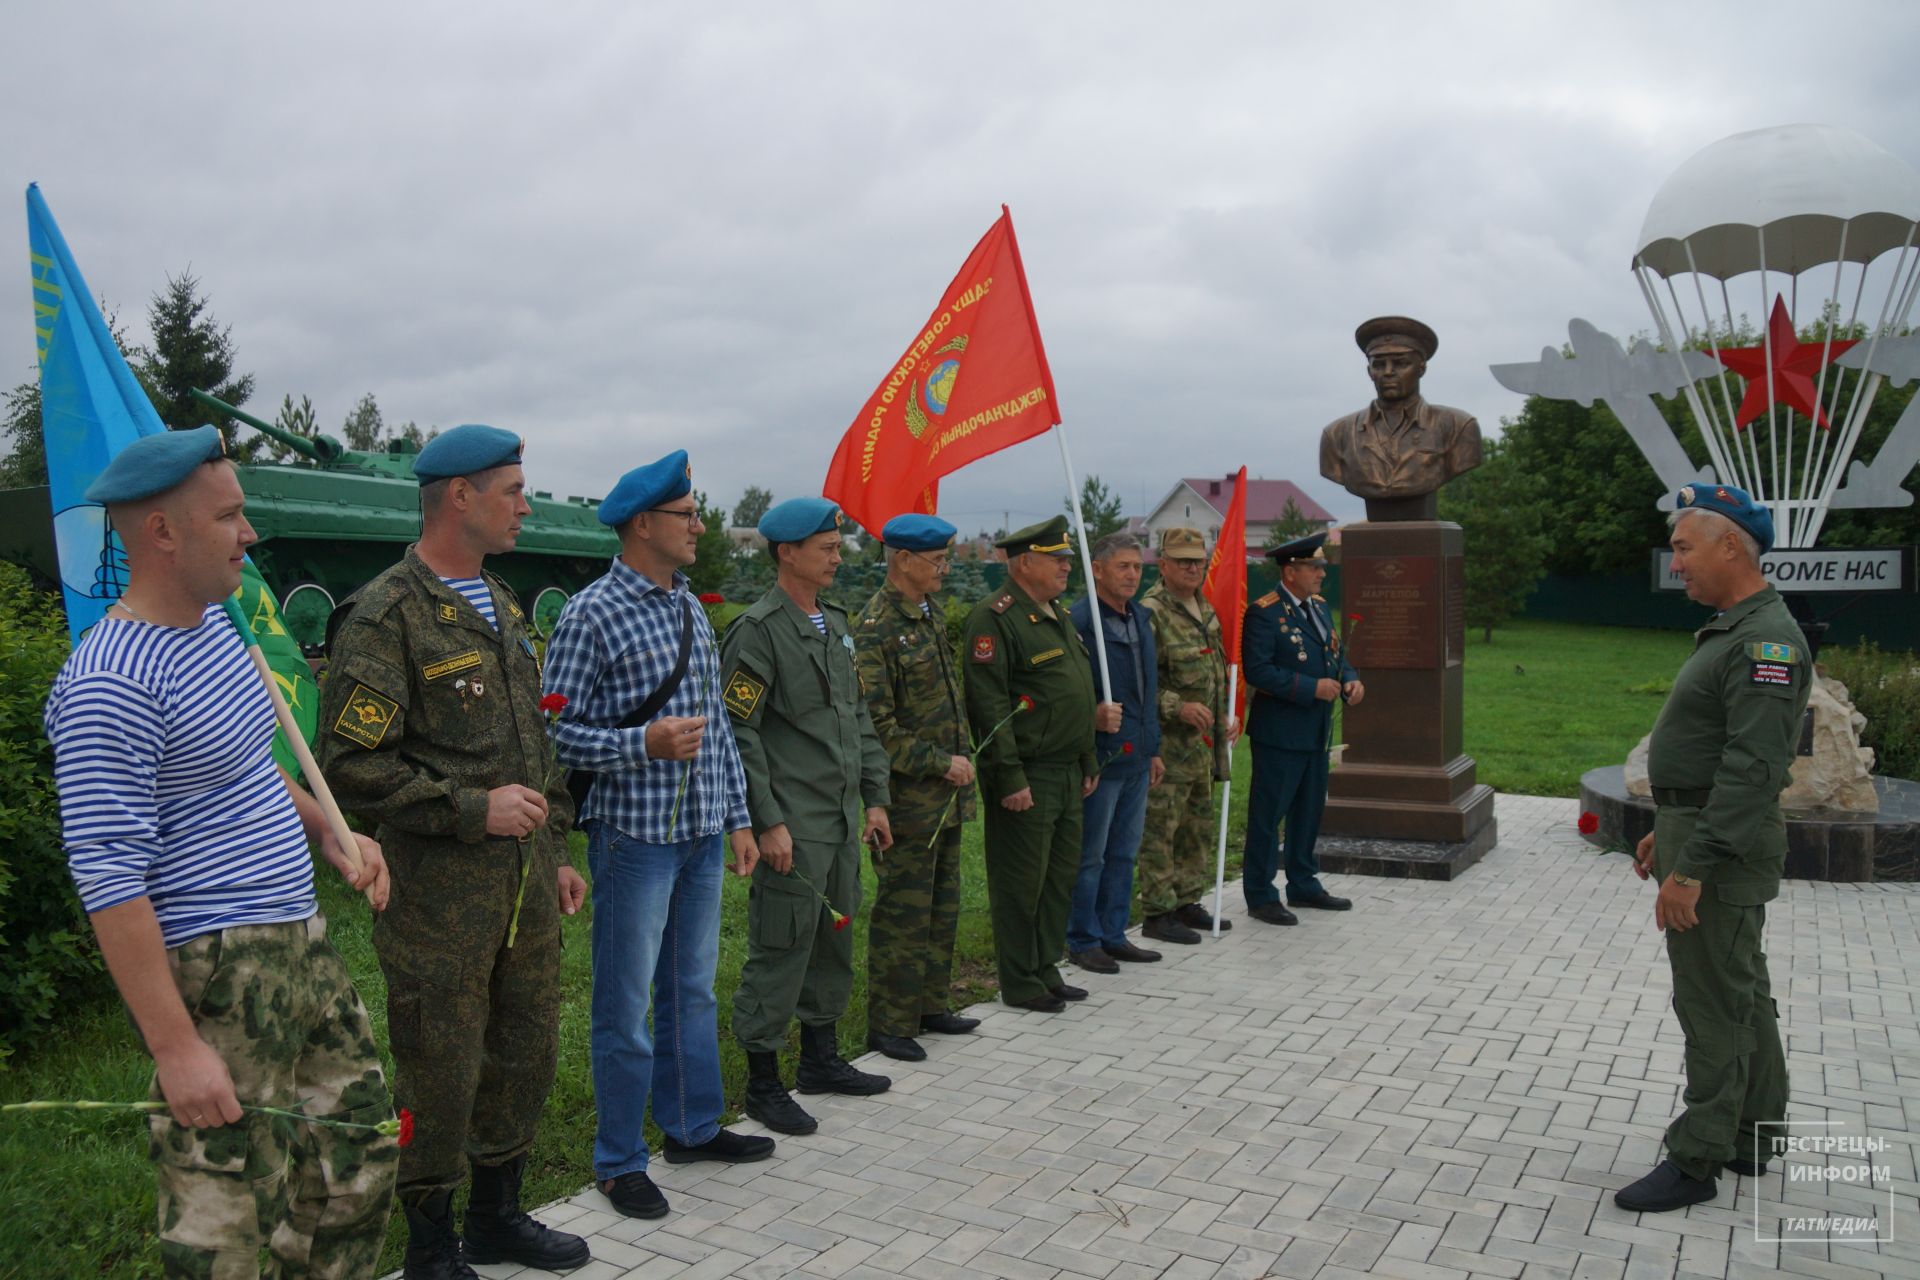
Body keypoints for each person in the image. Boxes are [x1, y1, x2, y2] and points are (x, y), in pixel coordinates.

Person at [44, 427, 397, 1279]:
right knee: (229, 1226)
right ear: (162, 533)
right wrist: (176, 1048)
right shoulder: (108, 685)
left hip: (301, 944)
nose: (250, 535)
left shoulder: (216, 633)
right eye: (230, 516)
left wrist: (327, 827)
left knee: (355, 1166)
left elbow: (248, 772)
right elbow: (108, 878)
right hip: (216, 974)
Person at [316, 424, 590, 1279]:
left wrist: (555, 844)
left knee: (524, 1050)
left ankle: (498, 1215)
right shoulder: (388, 614)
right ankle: (432, 1241)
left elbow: (530, 742)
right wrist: (474, 809)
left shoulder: (500, 602)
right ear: (459, 496)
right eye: (513, 489)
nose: (526, 503)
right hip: (441, 899)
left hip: (525, 887)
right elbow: (348, 767)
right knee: (439, 1065)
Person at [541, 451, 772, 1222]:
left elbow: (718, 732)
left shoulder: (689, 610)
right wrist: (640, 744)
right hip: (634, 839)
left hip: (703, 832)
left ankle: (691, 1127)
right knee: (625, 1004)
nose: (699, 526)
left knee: (692, 989)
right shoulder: (591, 613)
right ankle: (618, 1159)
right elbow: (553, 735)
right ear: (644, 524)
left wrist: (737, 816)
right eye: (688, 516)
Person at [1614, 484, 1808, 1214]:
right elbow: (1717, 755)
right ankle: (1755, 1133)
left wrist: (1690, 869)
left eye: (1687, 548)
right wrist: (1670, 827)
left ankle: (1697, 1157)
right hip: (1701, 833)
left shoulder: (1766, 642)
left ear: (1732, 546)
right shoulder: (1740, 629)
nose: (1678, 563)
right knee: (1743, 993)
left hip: (1718, 855)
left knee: (1712, 1002)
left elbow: (1753, 770)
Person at [722, 497, 893, 1135]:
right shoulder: (758, 631)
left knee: (835, 938)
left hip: (841, 821)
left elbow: (857, 720)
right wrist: (765, 820)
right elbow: (740, 733)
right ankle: (763, 1083)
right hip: (793, 824)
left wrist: (874, 797)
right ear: (786, 552)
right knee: (781, 947)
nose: (836, 556)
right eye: (824, 547)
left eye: (836, 545)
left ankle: (821, 1060)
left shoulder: (836, 624)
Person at [963, 516, 1117, 1012]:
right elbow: (989, 706)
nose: (1066, 567)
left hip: (1068, 769)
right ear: (1025, 562)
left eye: (1068, 559)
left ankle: (1045, 965)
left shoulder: (1055, 615)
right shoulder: (995, 618)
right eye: (1058, 559)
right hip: (1027, 774)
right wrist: (1009, 778)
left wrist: (1088, 757)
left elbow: (1076, 692)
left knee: (1058, 878)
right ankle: (1020, 979)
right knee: (1021, 882)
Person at [852, 513, 983, 1061]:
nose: (944, 569)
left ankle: (929, 1004)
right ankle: (889, 1023)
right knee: (903, 911)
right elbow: (878, 725)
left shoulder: (925, 614)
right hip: (909, 797)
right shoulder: (876, 625)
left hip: (944, 796)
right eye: (937, 560)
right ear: (903, 560)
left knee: (941, 904)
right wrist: (939, 763)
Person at [1242, 532, 1363, 924]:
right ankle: (1261, 894)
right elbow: (1258, 670)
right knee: (1268, 814)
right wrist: (1311, 688)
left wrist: (1349, 678)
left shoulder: (1320, 607)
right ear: (1290, 571)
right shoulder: (1264, 612)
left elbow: (1335, 652)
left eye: (1322, 567)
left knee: (1309, 812)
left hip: (1315, 731)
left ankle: (1303, 883)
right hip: (1279, 733)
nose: (1321, 574)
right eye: (1314, 567)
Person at [1066, 531, 1163, 972]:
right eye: (1123, 566)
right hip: (1102, 758)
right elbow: (1067, 693)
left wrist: (1154, 748)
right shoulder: (1080, 621)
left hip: (1138, 756)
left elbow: (1149, 690)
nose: (1132, 575)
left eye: (1138, 567)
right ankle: (1082, 938)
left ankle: (1113, 932)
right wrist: (1089, 725)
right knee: (1092, 855)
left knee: (1124, 852)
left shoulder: (1141, 618)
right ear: (1098, 569)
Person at [1137, 526, 1234, 945]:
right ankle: (1158, 911)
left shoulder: (1203, 607)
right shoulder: (1151, 612)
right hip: (1168, 746)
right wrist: (1178, 706)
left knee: (1196, 826)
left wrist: (1224, 715)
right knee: (1161, 828)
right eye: (1183, 561)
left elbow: (1214, 670)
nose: (1193, 568)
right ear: (1163, 565)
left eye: (1198, 561)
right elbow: (1139, 681)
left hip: (1202, 746)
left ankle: (1186, 900)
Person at [1319, 316, 1483, 521]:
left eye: (1400, 363)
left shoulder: (1458, 427)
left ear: (1421, 368)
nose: (1388, 372)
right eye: (1379, 365)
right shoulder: (1336, 435)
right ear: (1369, 371)